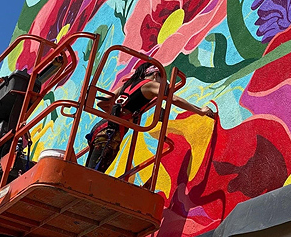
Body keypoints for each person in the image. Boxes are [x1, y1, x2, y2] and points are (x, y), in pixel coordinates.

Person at [85, 62, 215, 172]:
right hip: (112, 134)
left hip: (102, 126)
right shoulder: (150, 85)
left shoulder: (126, 86)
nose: (163, 82)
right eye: (162, 79)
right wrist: (200, 111)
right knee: (94, 172)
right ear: (155, 74)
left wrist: (118, 112)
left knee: (90, 168)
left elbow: (101, 102)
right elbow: (173, 99)